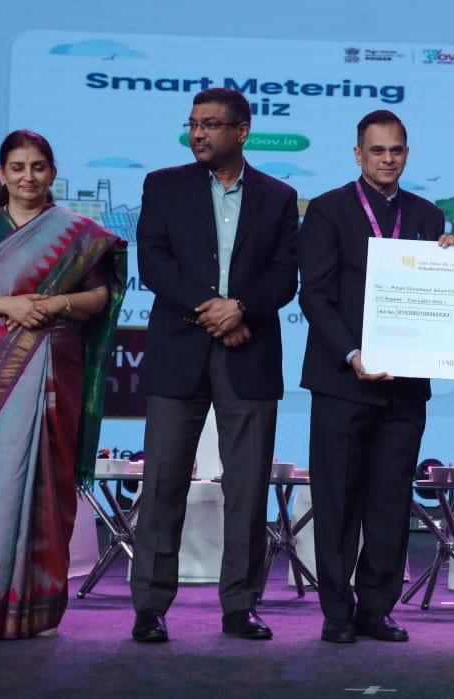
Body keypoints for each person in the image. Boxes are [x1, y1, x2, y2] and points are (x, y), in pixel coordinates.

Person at [129, 88, 300, 643]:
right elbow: (154, 263)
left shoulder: (279, 197)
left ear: (242, 131)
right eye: (193, 124)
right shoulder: (163, 185)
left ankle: (241, 606)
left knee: (247, 490)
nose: (198, 134)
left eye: (210, 124)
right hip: (179, 351)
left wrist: (242, 308)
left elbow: (285, 275)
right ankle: (150, 606)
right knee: (162, 484)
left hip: (250, 356)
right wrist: (215, 311)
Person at [0, 129, 126, 638]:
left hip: (53, 373)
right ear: (1, 174)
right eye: (18, 168)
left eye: (38, 167)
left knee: (46, 482)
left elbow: (98, 298)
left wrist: (56, 303)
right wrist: (6, 305)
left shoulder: (78, 233)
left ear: (52, 173)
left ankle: (37, 607)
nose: (28, 177)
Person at [299, 109, 454, 644]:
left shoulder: (428, 216)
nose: (387, 159)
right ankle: (336, 612)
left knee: (390, 503)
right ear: (357, 154)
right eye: (377, 150)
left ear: (406, 154)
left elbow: (437, 296)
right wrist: (351, 353)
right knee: (338, 503)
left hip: (405, 386)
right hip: (343, 380)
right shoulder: (327, 211)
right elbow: (313, 295)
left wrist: (452, 265)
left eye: (396, 150)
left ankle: (377, 608)